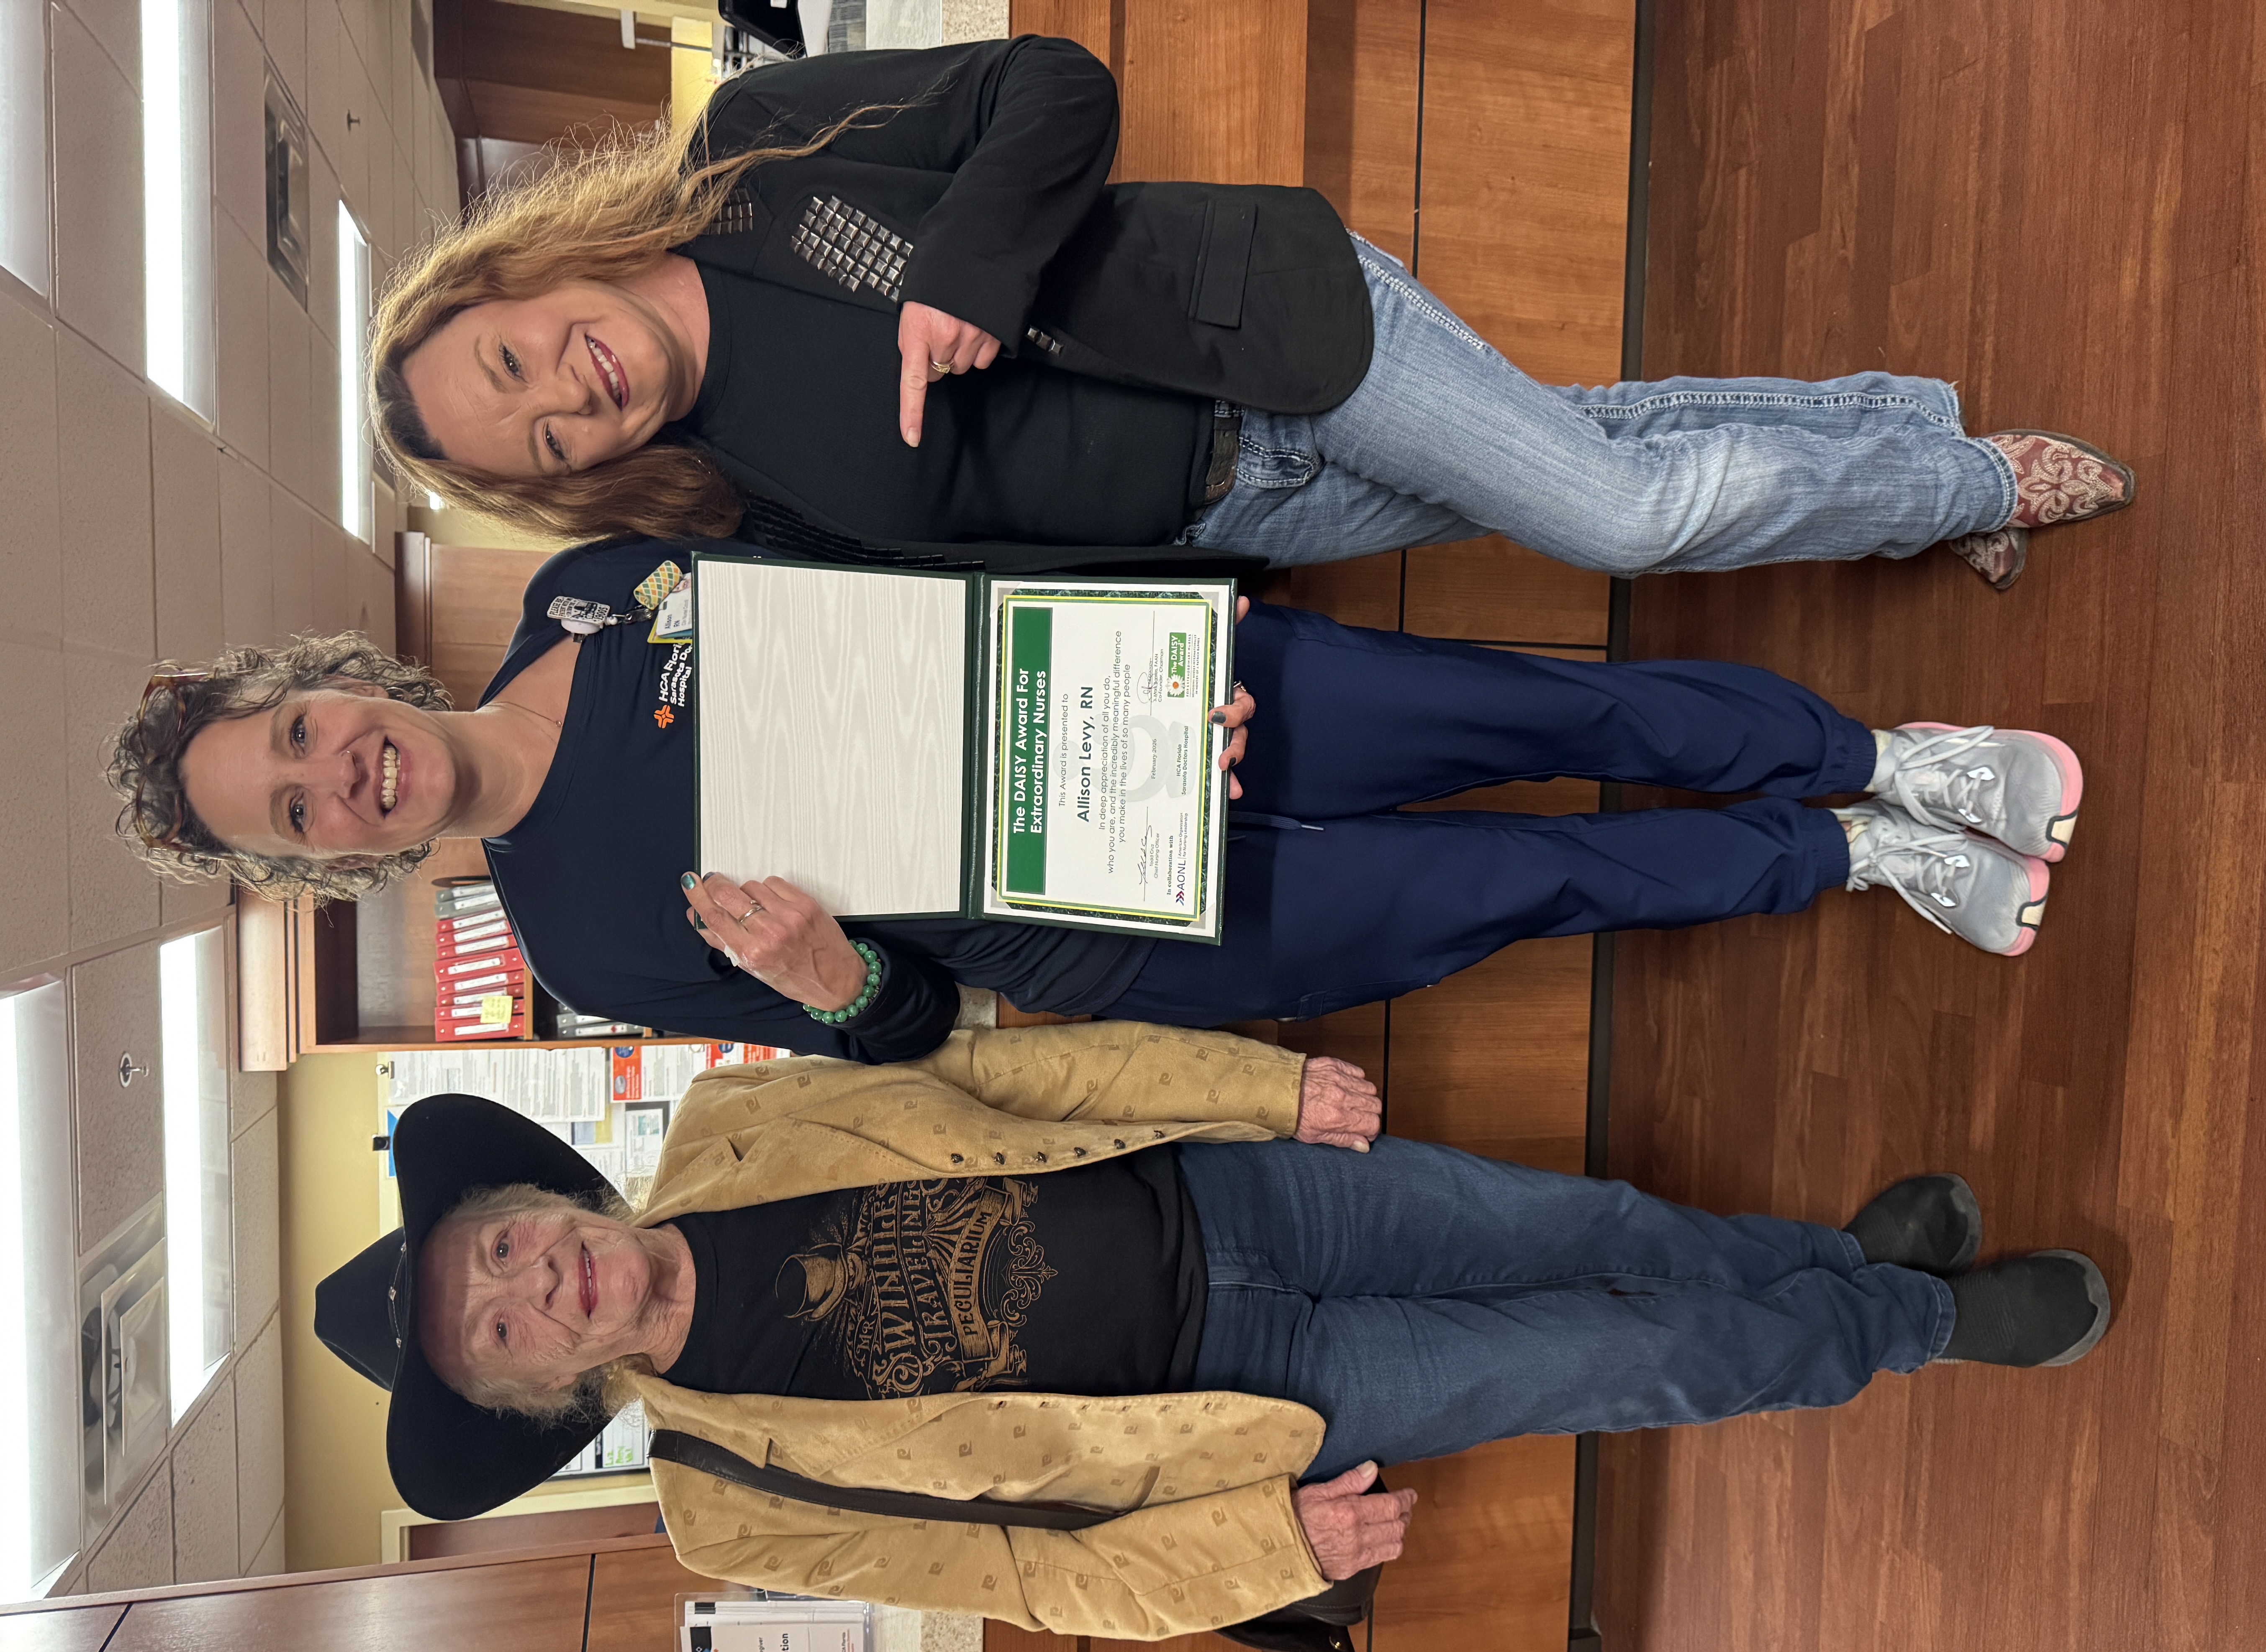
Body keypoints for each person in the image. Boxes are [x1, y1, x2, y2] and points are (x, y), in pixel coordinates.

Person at [314, 1021, 2112, 1643]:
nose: (535, 1282)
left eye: (506, 1245)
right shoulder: (720, 1496)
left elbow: (996, 1070)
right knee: (1629, 1354)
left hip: (1245, 1197)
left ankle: (1835, 1266)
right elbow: (1017, 1579)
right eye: (496, 1327)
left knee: (1604, 1225)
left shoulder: (730, 1125)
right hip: (1258, 1400)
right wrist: (1263, 1544)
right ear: (540, 1394)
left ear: (541, 1200)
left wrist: (1255, 1091)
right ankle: (1913, 1323)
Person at [110, 537, 2086, 1063]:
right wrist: (818, 980)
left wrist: (1149, 630)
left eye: (291, 737)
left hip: (1171, 693)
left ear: (328, 687)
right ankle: (1850, 855)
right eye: (294, 818)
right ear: (325, 871)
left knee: (1535, 712)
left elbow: (890, 560)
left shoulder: (589, 584)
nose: (330, 780)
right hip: (1132, 919)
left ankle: (1882, 753)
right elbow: (911, 1030)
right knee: (1535, 883)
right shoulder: (586, 948)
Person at [371, 36, 2130, 593]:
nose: (569, 395)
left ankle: (1981, 487)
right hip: (1240, 505)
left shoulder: (758, 155)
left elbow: (1049, 92)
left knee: (1617, 517)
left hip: (1274, 326)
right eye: (540, 439)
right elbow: (975, 567)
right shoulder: (729, 499)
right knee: (1609, 438)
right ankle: (1911, 427)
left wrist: (961, 284)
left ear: (522, 278)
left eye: (517, 357)